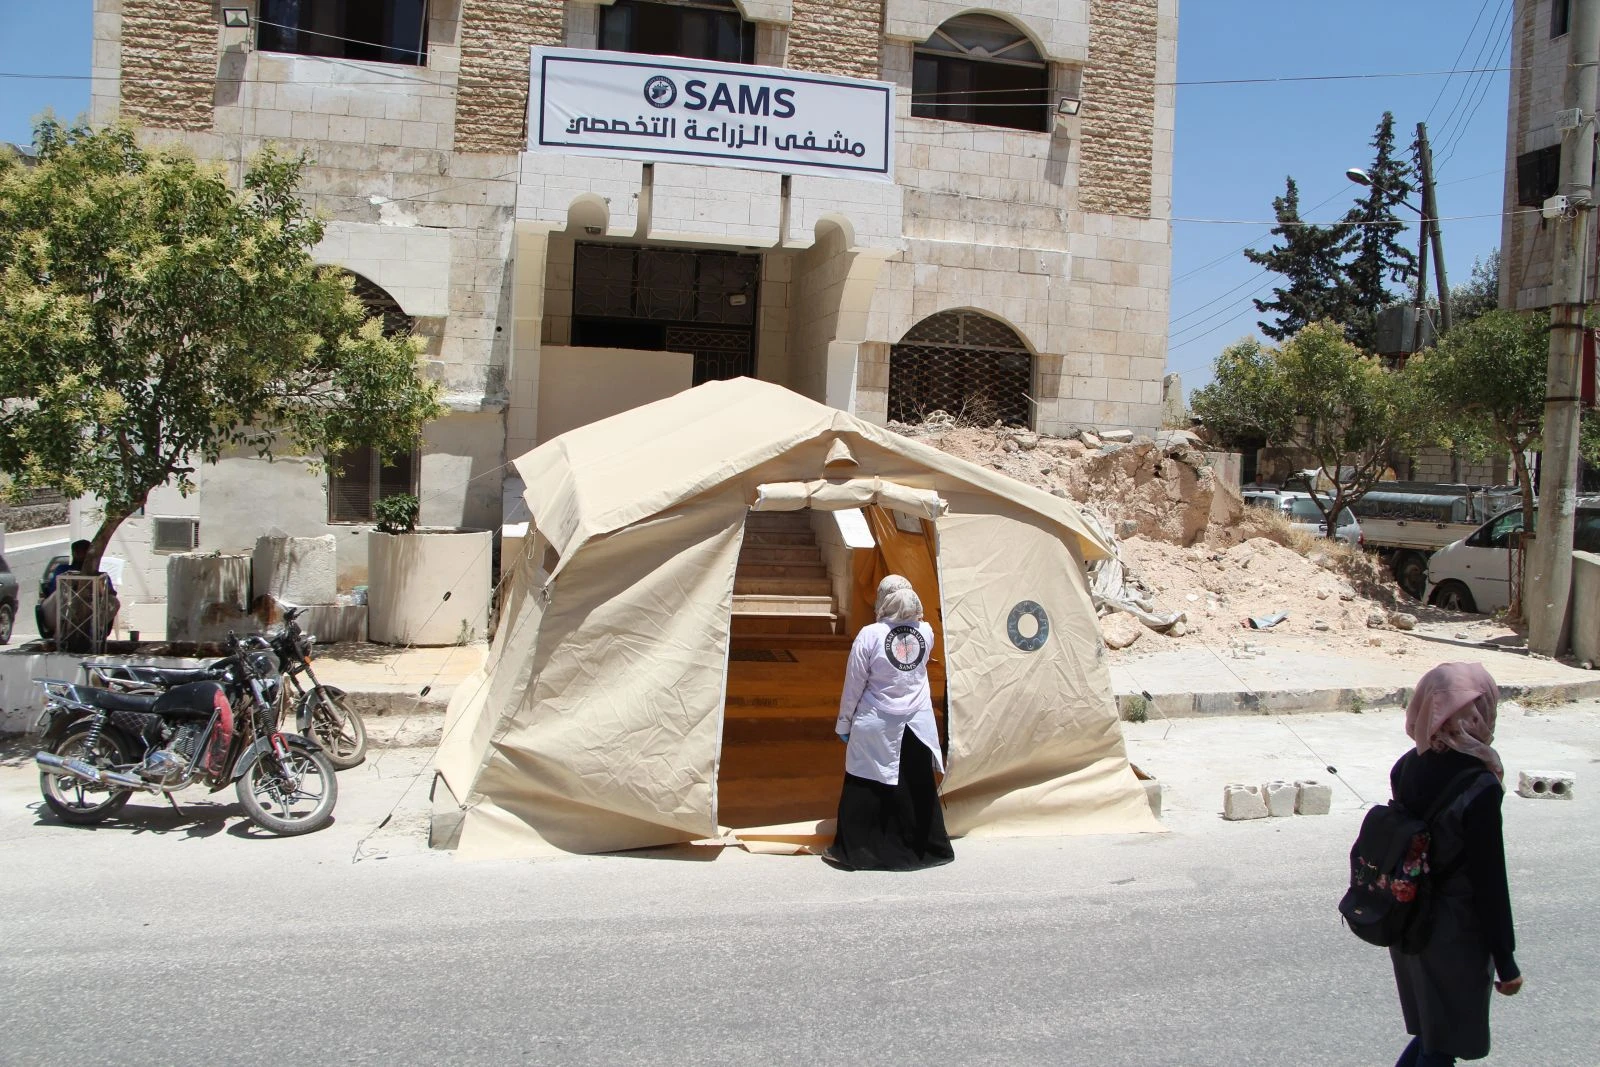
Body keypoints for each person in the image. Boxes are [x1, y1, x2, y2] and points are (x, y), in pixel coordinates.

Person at [1389, 662, 1521, 1067]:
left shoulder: (1406, 766)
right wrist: (1506, 961)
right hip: (1453, 932)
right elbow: (1489, 880)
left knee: (1434, 1033)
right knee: (1442, 1043)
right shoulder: (1479, 784)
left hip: (1409, 919)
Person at [822, 574, 954, 871]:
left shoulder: (870, 635)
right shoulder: (927, 631)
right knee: (914, 786)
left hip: (876, 723)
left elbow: (854, 685)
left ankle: (860, 852)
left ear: (882, 599)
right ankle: (924, 851)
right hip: (917, 724)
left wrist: (844, 723)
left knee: (867, 787)